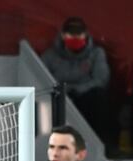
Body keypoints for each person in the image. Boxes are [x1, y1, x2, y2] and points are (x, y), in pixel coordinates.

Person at [42, 17, 112, 145]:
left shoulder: (96, 53)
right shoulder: (50, 56)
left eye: (78, 34)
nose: (75, 37)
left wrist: (79, 90)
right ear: (63, 35)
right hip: (60, 99)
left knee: (99, 96)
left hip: (86, 98)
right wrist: (64, 90)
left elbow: (101, 79)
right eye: (71, 34)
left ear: (85, 35)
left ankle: (99, 144)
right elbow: (41, 78)